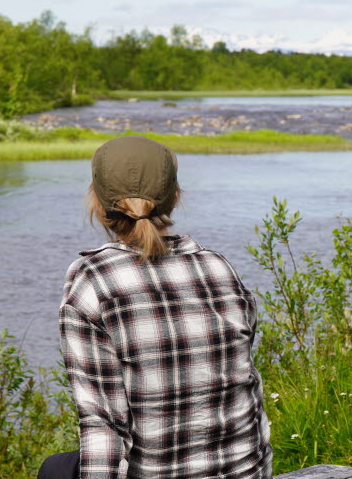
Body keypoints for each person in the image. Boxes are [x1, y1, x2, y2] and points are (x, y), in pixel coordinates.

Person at [39, 135, 272, 479]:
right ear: (176, 196)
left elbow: (103, 425)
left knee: (54, 469)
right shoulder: (219, 267)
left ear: (96, 201)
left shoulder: (94, 280)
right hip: (244, 472)